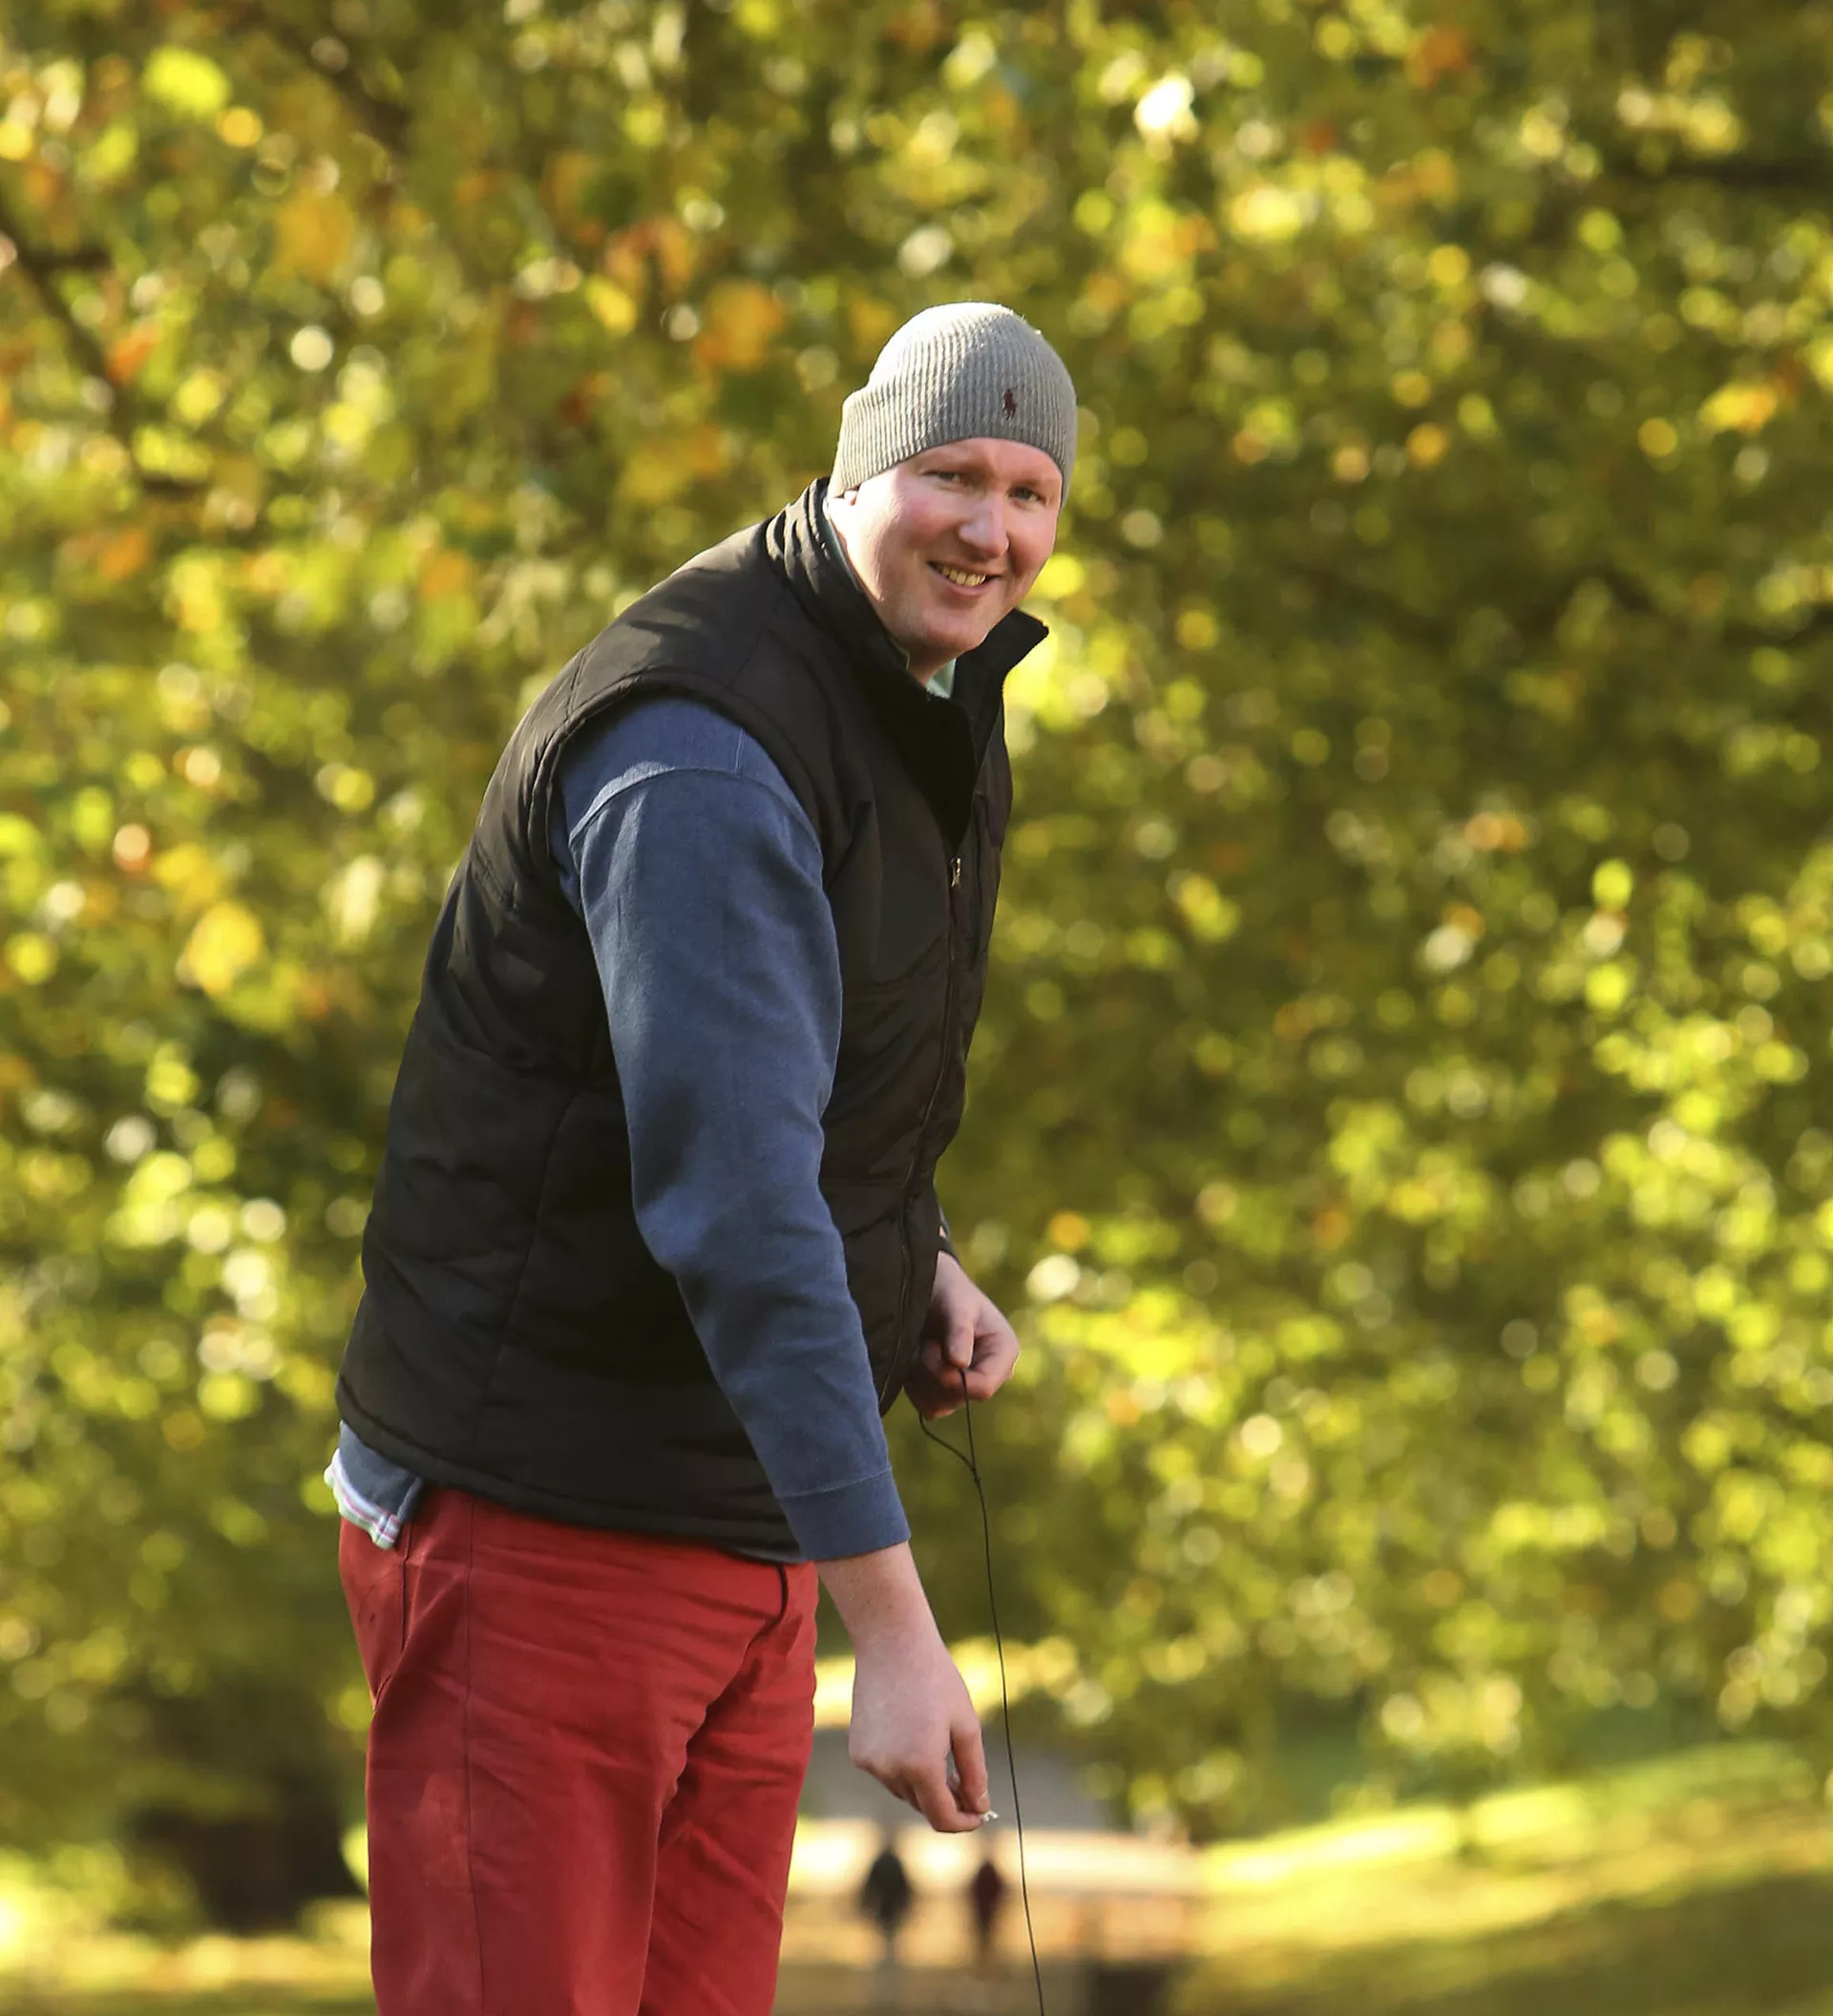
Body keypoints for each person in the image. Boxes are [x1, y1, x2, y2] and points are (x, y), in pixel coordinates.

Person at [326, 302, 1077, 2016]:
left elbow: (818, 1068)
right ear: (858, 465)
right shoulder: (702, 748)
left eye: (1030, 491)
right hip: (546, 1519)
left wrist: (914, 1253)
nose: (990, 528)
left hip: (740, 1523)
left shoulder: (921, 693)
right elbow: (736, 1206)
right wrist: (900, 1633)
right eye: (952, 474)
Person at [860, 1828, 917, 1985]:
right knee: (889, 1946)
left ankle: (886, 1980)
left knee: (886, 1947)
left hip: (885, 1910)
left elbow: (870, 1888)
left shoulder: (884, 1863)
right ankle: (888, 1980)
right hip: (889, 1910)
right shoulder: (892, 1863)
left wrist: (866, 1906)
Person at [968, 1851, 1009, 1977]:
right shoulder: (990, 1875)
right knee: (986, 1939)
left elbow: (972, 1892)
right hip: (987, 1912)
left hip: (985, 1912)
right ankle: (985, 1964)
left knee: (983, 1939)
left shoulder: (982, 1875)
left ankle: (984, 1964)